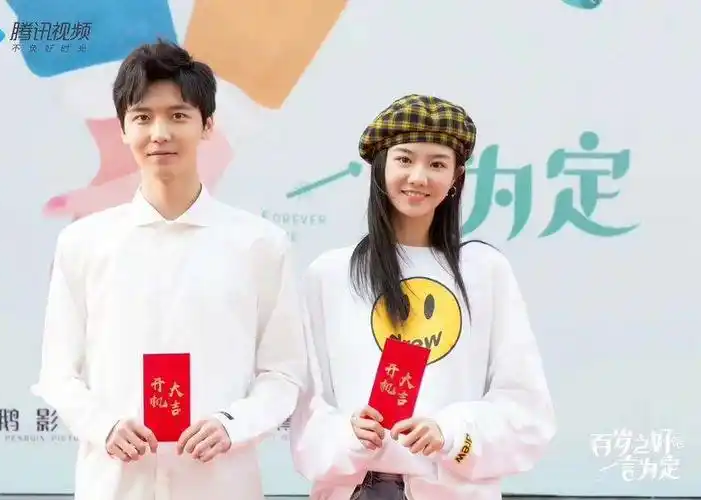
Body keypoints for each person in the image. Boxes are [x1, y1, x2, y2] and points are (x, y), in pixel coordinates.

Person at [31, 40, 307, 500]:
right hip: (116, 483)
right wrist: (104, 426)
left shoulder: (259, 244)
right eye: (143, 117)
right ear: (123, 128)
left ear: (207, 125)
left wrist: (231, 425)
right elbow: (59, 372)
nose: (159, 133)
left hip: (220, 483)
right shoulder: (84, 242)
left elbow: (283, 373)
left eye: (178, 115)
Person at [289, 94, 556, 499]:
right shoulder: (330, 274)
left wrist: (450, 433)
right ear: (380, 168)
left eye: (437, 164)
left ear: (456, 177)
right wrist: (349, 434)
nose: (418, 176)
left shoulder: (485, 272)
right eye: (404, 159)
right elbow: (306, 406)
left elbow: (526, 409)